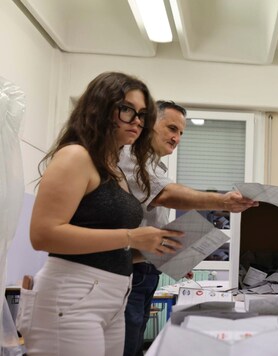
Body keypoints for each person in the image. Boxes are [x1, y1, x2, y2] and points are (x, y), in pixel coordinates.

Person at [19, 72, 184, 356]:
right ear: (101, 108)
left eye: (142, 114)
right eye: (128, 109)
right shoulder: (76, 156)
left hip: (112, 297)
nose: (137, 121)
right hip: (72, 297)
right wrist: (133, 236)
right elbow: (43, 234)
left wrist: (154, 247)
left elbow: (110, 242)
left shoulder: (114, 169)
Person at [119, 100, 258, 356]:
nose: (177, 138)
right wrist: (222, 201)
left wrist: (178, 256)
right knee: (126, 346)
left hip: (145, 271)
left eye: (181, 132)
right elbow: (164, 195)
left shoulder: (156, 166)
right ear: (148, 124)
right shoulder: (128, 157)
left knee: (135, 345)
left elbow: (155, 217)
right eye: (171, 128)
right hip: (127, 272)